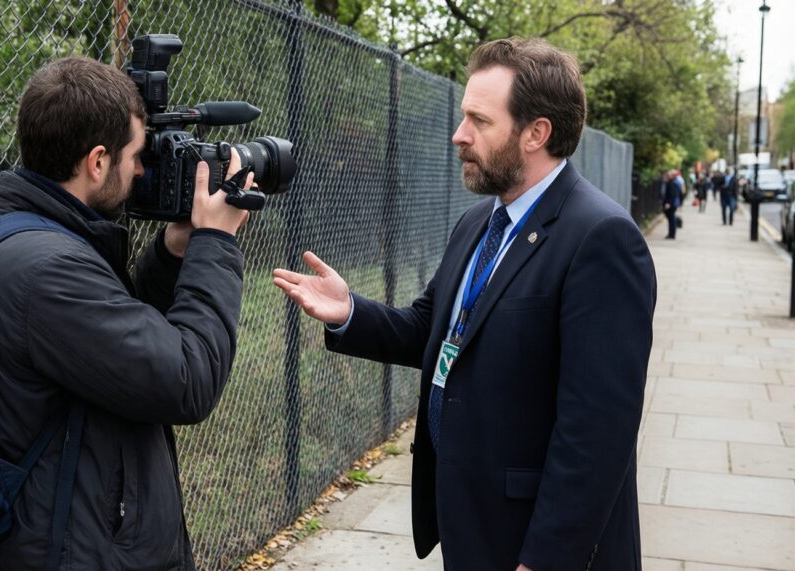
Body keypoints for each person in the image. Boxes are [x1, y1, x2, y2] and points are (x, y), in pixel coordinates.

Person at [273, 37, 655, 571]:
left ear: (536, 133)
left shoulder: (601, 237)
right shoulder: (479, 221)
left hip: (534, 542)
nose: (460, 135)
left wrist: (544, 560)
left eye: (479, 120)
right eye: (463, 117)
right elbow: (436, 329)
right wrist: (350, 312)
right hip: (471, 522)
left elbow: (597, 430)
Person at [0, 57, 253, 569]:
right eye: (137, 156)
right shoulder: (48, 273)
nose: (142, 171)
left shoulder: (16, 232)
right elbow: (186, 379)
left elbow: (117, 339)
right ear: (97, 161)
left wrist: (174, 251)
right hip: (73, 549)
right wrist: (216, 243)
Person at [663, 170, 681, 238]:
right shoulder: (673, 182)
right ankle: (671, 234)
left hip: (671, 204)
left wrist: (668, 203)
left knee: (671, 219)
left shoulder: (673, 183)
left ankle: (671, 234)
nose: (667, 177)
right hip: (672, 203)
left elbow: (672, 194)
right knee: (671, 219)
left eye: (668, 175)